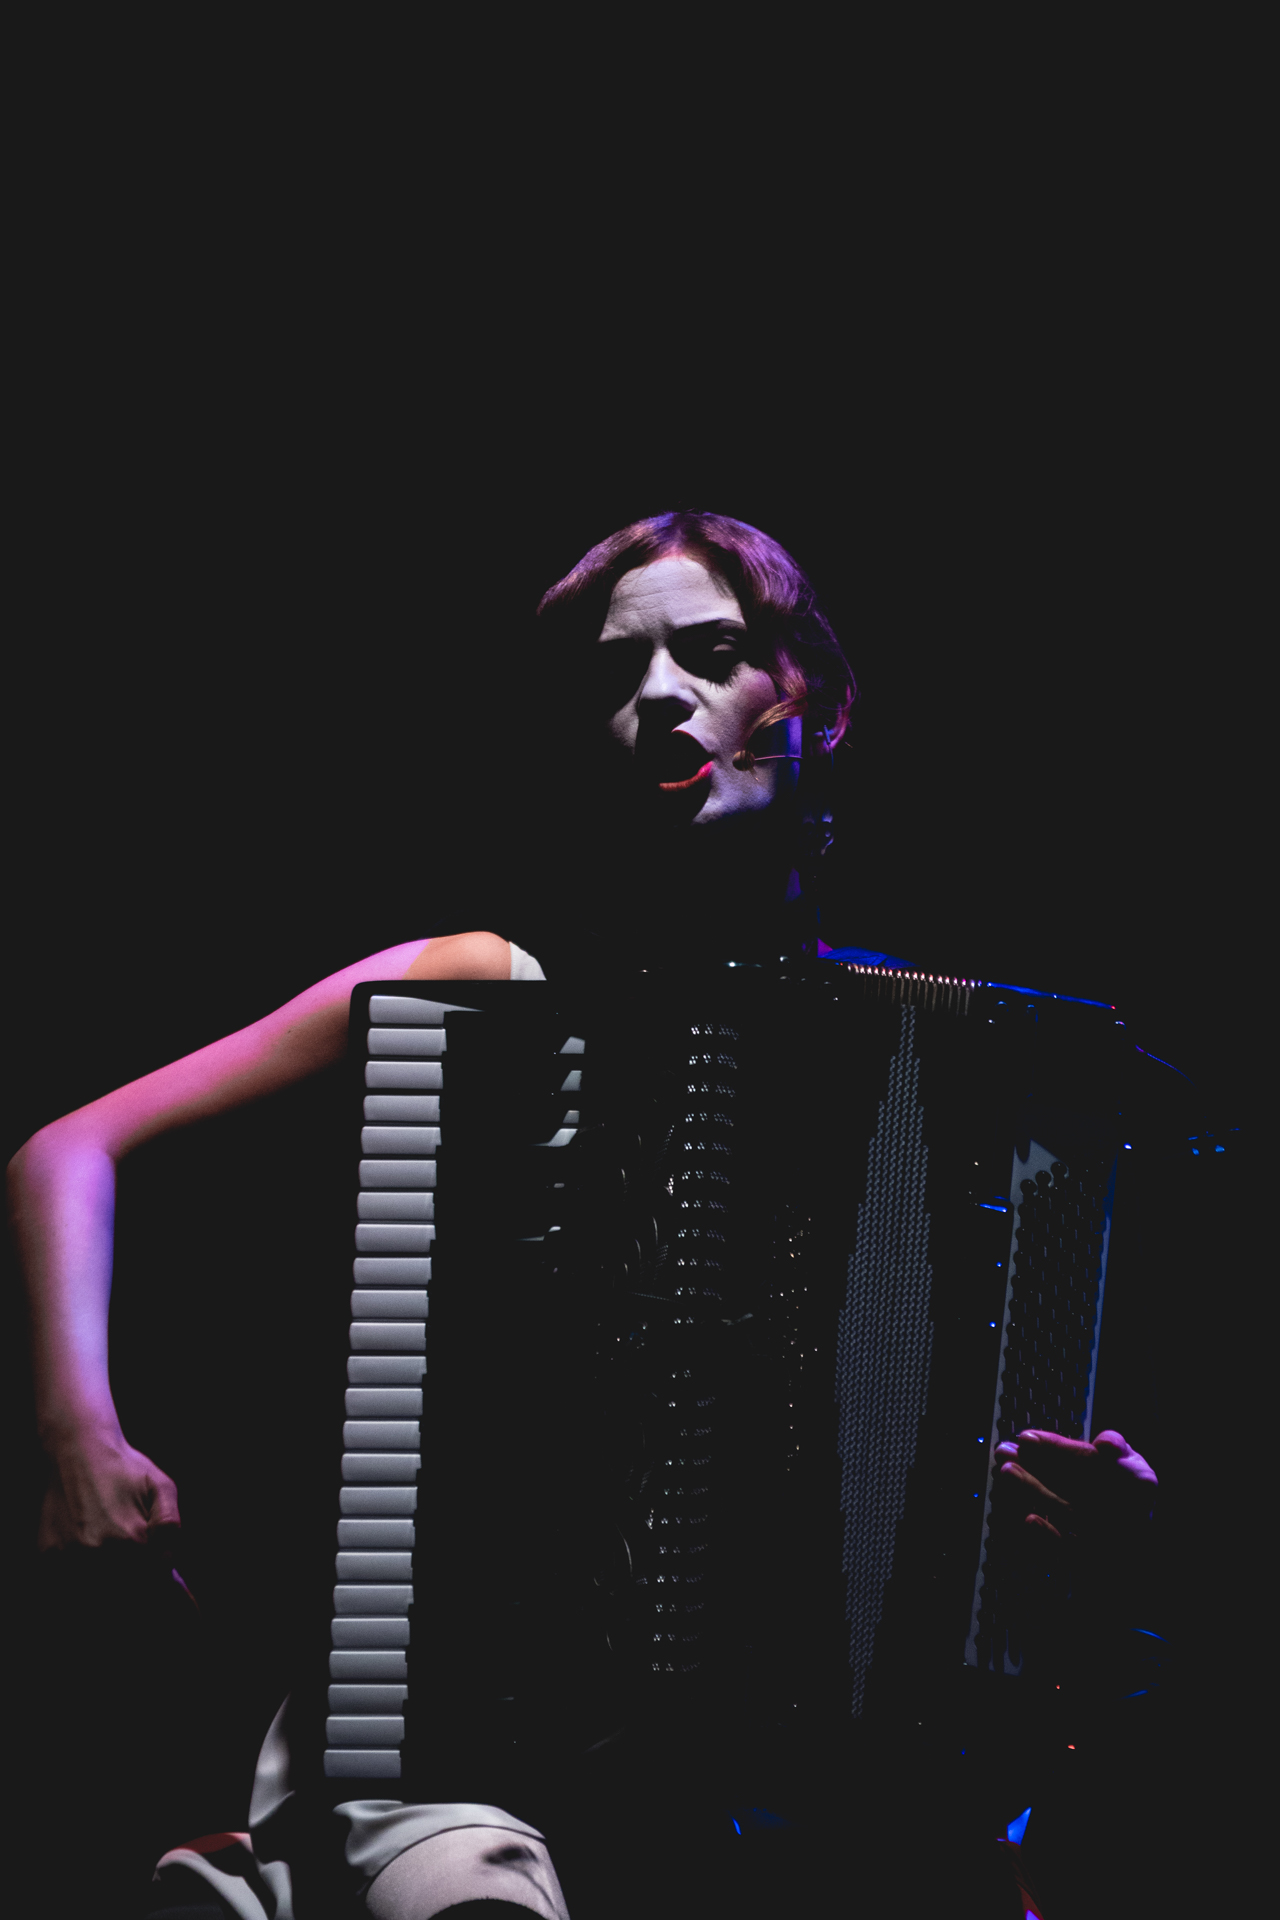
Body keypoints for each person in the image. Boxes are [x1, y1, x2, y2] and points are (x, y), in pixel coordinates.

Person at [8, 512, 1159, 1918]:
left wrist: (1080, 1537)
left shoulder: (977, 1074)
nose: (661, 694)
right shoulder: (489, 983)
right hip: (456, 1743)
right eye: (617, 672)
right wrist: (80, 1437)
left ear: (815, 702)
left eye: (714, 652)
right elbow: (71, 1150)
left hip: (823, 1791)